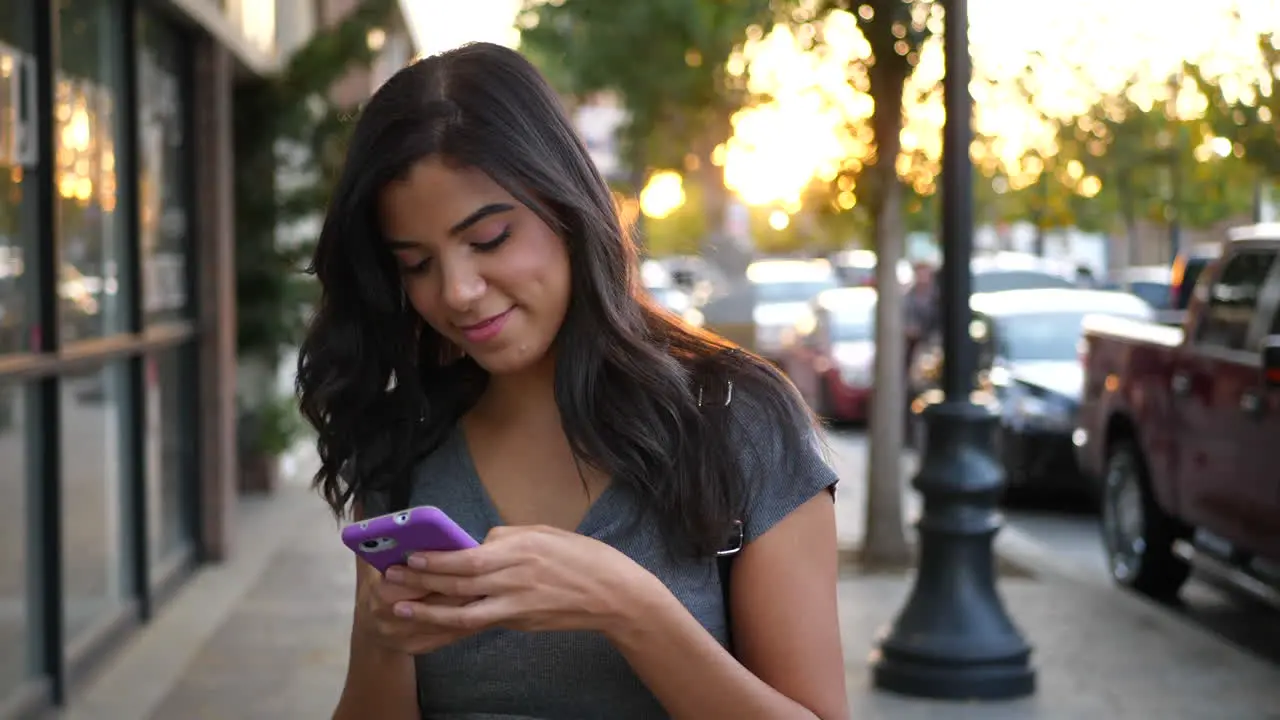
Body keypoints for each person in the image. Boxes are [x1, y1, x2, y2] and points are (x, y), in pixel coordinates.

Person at [296, 42, 848, 720]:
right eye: (416, 263)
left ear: (567, 207)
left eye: (491, 238)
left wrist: (629, 608)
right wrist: (384, 642)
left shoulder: (737, 419)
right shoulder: (404, 444)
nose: (458, 291)